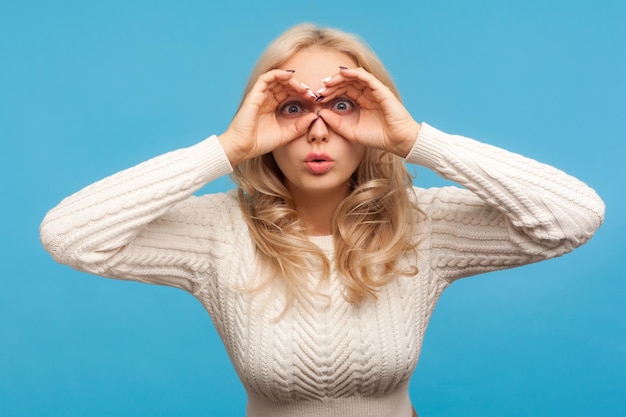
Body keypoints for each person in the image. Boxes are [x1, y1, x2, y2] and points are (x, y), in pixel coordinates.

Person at [39, 23, 605, 417]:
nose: (316, 129)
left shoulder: (422, 225)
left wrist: (416, 140)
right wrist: (227, 148)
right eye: (292, 107)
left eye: (342, 105)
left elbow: (574, 217)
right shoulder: (217, 233)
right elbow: (69, 237)